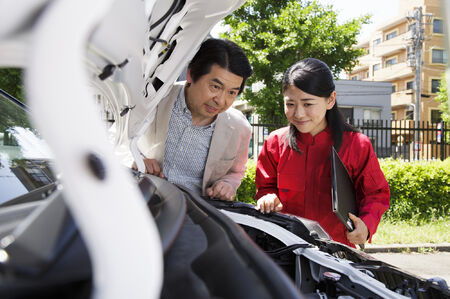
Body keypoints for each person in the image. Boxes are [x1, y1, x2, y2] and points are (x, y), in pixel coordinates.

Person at [254, 58, 390, 247]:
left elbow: (376, 194)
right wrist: (267, 197)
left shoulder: (357, 144)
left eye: (308, 104)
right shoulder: (274, 143)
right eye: (290, 104)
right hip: (286, 247)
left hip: (337, 250)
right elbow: (265, 186)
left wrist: (366, 225)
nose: (299, 113)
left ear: (330, 100)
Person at [135, 38, 253, 201]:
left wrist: (227, 184)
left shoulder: (239, 127)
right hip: (140, 200)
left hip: (194, 215)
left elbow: (235, 172)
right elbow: (117, 140)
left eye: (232, 92)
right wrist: (136, 161)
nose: (220, 100)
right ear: (191, 74)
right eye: (216, 87)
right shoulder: (154, 99)